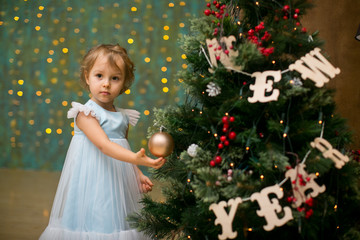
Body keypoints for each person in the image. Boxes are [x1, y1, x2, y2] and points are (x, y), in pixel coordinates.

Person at [40, 44, 166, 240]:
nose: (106, 84)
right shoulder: (85, 114)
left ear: (124, 84)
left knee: (114, 220)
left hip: (115, 179)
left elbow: (121, 147)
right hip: (90, 179)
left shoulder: (123, 117)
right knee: (93, 220)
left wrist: (137, 172)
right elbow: (104, 145)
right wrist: (140, 160)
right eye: (99, 76)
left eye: (114, 78)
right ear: (87, 77)